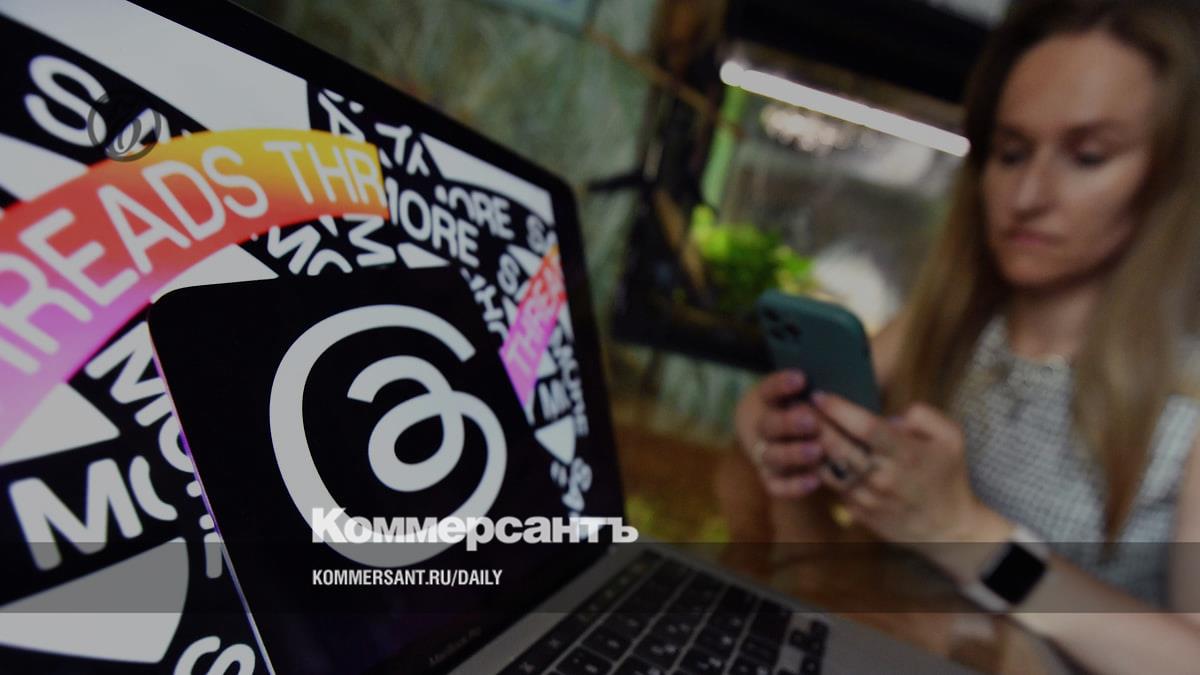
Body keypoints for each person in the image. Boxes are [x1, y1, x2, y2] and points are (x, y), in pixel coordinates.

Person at [733, 1, 1200, 673]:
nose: (1028, 195)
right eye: (1011, 153)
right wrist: (775, 429)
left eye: (1088, 156)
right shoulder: (955, 322)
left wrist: (966, 535)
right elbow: (779, 425)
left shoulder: (1187, 399)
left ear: (1172, 179)